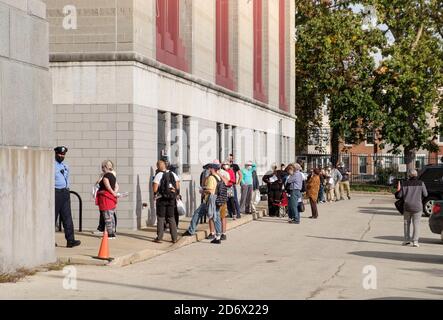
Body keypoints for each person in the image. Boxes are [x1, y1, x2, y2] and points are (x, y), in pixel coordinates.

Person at [183, 161, 222, 244]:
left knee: (198, 214)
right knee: (216, 217)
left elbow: (211, 190)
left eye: (208, 168)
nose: (207, 170)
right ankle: (218, 236)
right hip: (216, 200)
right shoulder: (218, 177)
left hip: (209, 201)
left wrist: (203, 190)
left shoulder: (211, 178)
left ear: (212, 169)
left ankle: (191, 231)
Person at [54, 146, 81, 248]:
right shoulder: (52, 166)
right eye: (59, 154)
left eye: (63, 154)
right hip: (56, 192)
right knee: (53, 217)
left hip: (65, 192)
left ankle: (70, 240)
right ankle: (49, 241)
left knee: (67, 217)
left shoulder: (66, 166)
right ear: (56, 154)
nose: (61, 156)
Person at [396, 169, 428, 247]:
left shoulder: (405, 184)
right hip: (418, 206)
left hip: (407, 206)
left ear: (409, 175)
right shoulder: (421, 183)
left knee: (406, 223)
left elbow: (399, 196)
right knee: (416, 224)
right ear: (416, 175)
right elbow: (426, 194)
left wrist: (398, 191)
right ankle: (415, 241)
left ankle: (407, 240)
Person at [152, 160, 179, 243]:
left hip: (161, 200)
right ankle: (174, 238)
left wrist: (155, 195)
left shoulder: (159, 175)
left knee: (161, 218)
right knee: (171, 218)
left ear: (158, 167)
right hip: (171, 199)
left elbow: (155, 188)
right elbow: (177, 186)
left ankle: (159, 237)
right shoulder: (173, 174)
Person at [95, 160, 119, 239]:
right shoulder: (113, 175)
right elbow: (116, 186)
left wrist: (113, 193)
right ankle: (112, 232)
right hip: (111, 199)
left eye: (102, 167)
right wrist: (114, 193)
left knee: (107, 217)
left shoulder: (105, 176)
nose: (102, 169)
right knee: (111, 216)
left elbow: (108, 187)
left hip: (106, 198)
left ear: (106, 167)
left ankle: (110, 234)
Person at [229, 154, 242, 218]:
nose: (230, 159)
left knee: (234, 199)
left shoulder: (235, 166)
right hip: (226, 185)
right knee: (228, 200)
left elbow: (240, 175)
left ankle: (238, 213)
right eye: (229, 158)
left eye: (231, 158)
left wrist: (238, 182)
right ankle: (230, 213)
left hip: (232, 184)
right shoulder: (224, 166)